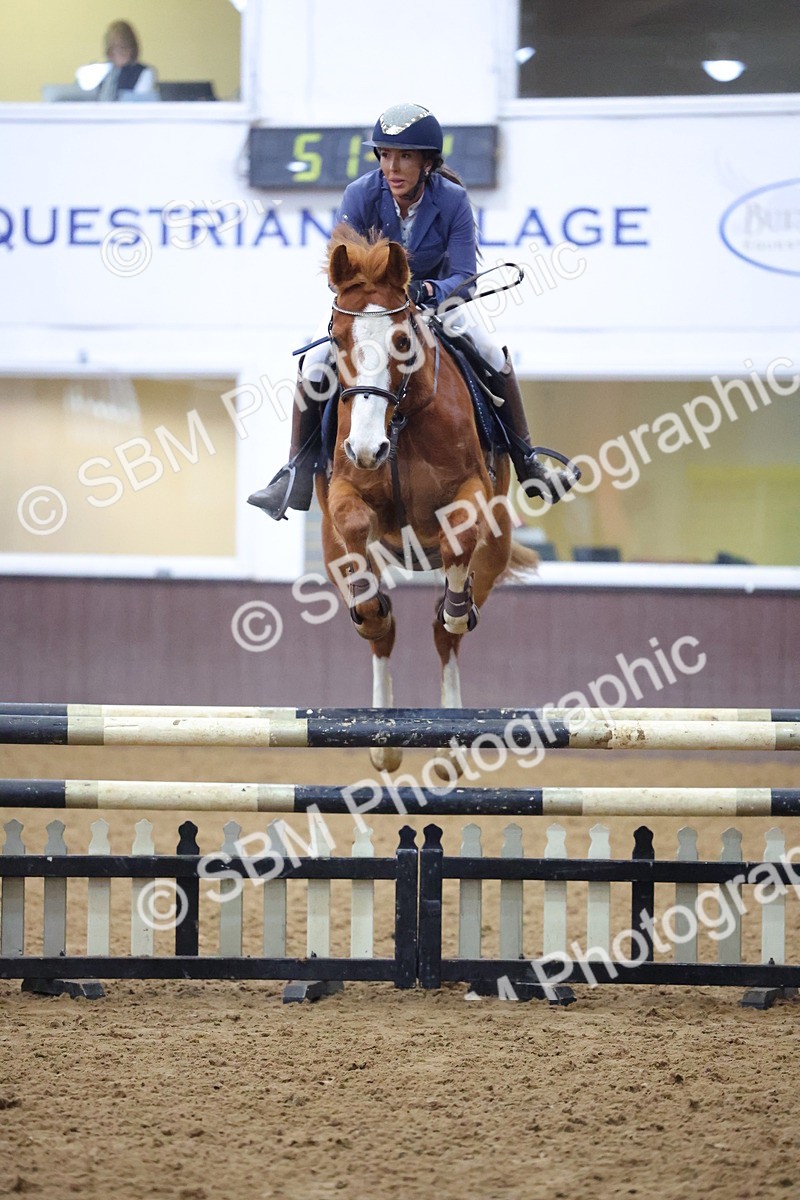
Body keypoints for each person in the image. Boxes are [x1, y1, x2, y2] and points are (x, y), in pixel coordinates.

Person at [248, 101, 574, 520]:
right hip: (370, 310)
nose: (392, 167)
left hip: (434, 306)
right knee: (314, 360)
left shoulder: (453, 200)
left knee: (492, 352)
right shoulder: (360, 193)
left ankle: (527, 461)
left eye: (404, 156)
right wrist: (381, 294)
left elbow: (464, 275)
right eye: (385, 155)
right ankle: (293, 471)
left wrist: (427, 290)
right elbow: (339, 272)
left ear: (427, 163)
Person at [96, 21, 157, 100]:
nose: (115, 53)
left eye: (121, 48)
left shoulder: (144, 72)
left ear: (131, 49)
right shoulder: (103, 72)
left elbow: (135, 103)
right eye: (112, 48)